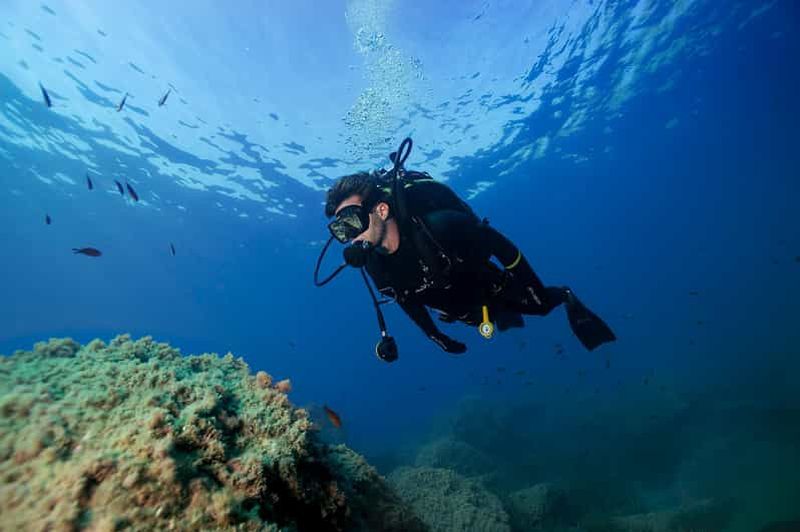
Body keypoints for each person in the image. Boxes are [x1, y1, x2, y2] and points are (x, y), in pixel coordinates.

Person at [315, 138, 615, 361]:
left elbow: (499, 244)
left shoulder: (440, 227)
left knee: (540, 307)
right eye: (341, 231)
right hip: (465, 311)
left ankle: (565, 296)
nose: (350, 237)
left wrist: (534, 288)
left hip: (491, 288)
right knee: (497, 321)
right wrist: (435, 335)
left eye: (350, 221)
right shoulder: (373, 266)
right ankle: (502, 318)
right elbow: (405, 298)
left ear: (381, 209)